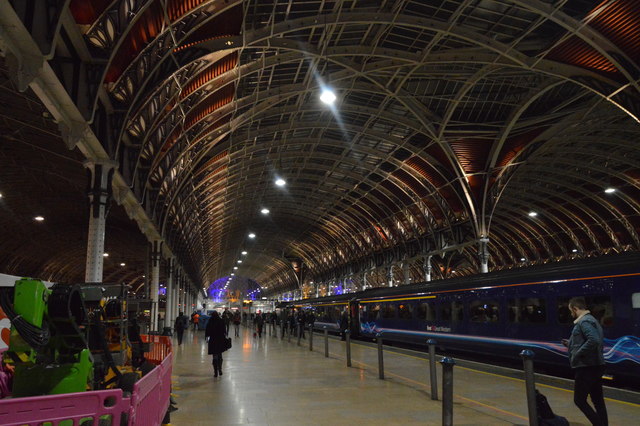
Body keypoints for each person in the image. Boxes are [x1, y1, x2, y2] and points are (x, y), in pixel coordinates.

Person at [562, 297, 608, 426]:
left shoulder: (584, 322)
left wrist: (577, 353)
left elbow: (593, 340)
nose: (571, 313)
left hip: (586, 366)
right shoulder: (593, 320)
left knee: (579, 400)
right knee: (598, 400)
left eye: (571, 310)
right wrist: (571, 344)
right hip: (596, 365)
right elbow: (589, 339)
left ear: (575, 309)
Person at [205, 311, 228, 377]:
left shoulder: (210, 321)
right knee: (220, 355)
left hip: (213, 341)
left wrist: (207, 339)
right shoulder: (221, 321)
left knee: (214, 356)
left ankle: (215, 372)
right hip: (220, 340)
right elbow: (224, 331)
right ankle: (220, 369)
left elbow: (207, 331)